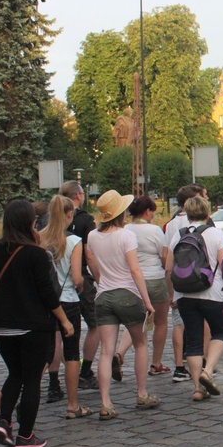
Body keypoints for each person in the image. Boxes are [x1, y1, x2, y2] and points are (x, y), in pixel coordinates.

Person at [0, 199, 74, 447]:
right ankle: (26, 436)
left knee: (14, 373)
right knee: (31, 379)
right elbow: (48, 295)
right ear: (31, 223)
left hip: (1, 327)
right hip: (32, 326)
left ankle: (4, 422)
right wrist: (64, 320)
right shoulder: (36, 254)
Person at [86, 190, 160, 421]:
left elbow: (94, 264)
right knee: (140, 344)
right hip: (127, 294)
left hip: (104, 296)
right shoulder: (126, 236)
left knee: (106, 351)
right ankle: (141, 393)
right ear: (120, 214)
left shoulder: (92, 236)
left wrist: (101, 282)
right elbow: (135, 270)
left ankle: (106, 403)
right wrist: (147, 301)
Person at [166, 196, 223, 402]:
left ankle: (197, 388)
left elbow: (169, 268)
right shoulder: (216, 234)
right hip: (213, 292)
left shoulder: (178, 235)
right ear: (207, 213)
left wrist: (171, 294)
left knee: (192, 338)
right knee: (219, 332)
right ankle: (208, 371)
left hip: (185, 294)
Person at [40, 196, 92, 419]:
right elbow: (78, 277)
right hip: (69, 300)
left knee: (45, 350)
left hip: (45, 302)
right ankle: (72, 405)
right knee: (72, 353)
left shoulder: (39, 238)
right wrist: (79, 285)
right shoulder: (74, 241)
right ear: (70, 214)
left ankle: (23, 391)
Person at [114, 196, 170, 380]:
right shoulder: (154, 230)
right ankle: (156, 363)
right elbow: (164, 256)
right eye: (152, 212)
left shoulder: (125, 230)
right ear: (147, 212)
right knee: (161, 321)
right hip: (154, 279)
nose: (153, 215)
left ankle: (120, 353)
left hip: (133, 281)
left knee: (135, 322)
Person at [59, 180, 100, 390]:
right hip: (79, 278)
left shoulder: (50, 220)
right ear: (78, 196)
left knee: (57, 333)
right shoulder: (85, 220)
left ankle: (53, 381)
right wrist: (99, 278)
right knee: (95, 324)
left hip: (52, 283)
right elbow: (89, 253)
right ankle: (85, 371)